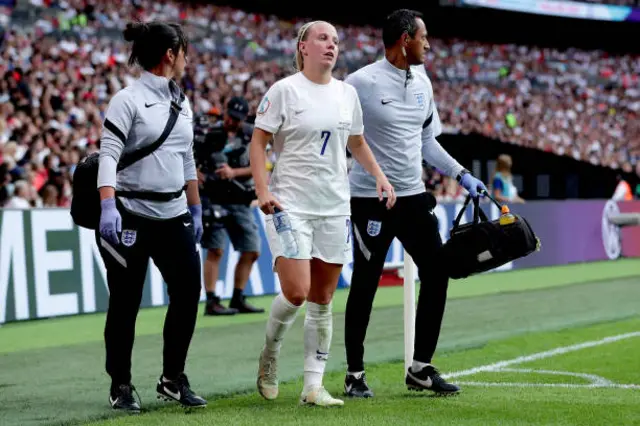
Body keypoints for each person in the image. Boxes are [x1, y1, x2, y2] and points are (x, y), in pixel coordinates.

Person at [249, 20, 396, 407]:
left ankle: (313, 387)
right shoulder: (284, 91)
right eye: (322, 38)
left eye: (335, 40)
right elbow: (259, 139)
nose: (331, 45)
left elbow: (357, 141)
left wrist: (379, 176)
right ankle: (270, 354)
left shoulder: (347, 94)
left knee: (323, 298)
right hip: (289, 203)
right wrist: (262, 190)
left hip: (333, 205)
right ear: (303, 46)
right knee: (296, 291)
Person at [343, 9, 488, 398]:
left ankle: (420, 367)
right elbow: (343, 137)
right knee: (366, 284)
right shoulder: (360, 82)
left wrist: (461, 174)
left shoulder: (422, 81)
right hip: (370, 201)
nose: (429, 44)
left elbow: (426, 141)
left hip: (412, 198)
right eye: (424, 37)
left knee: (437, 272)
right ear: (405, 38)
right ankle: (354, 374)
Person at [95, 20, 206, 412]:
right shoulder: (127, 99)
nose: (187, 59)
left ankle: (172, 378)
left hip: (174, 213)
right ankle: (120, 385)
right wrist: (107, 205)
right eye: (184, 52)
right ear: (170, 55)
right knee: (125, 302)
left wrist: (196, 206)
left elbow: (187, 157)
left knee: (188, 294)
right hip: (130, 214)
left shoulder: (182, 100)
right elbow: (108, 154)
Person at [194, 96, 265, 316]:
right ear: (225, 112)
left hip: (240, 198)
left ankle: (237, 297)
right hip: (213, 198)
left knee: (252, 250)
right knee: (215, 249)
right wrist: (196, 175)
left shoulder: (252, 134)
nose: (231, 122)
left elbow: (259, 165)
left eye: (236, 119)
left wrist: (233, 172)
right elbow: (188, 159)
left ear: (243, 118)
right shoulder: (208, 133)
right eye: (229, 117)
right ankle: (212, 300)